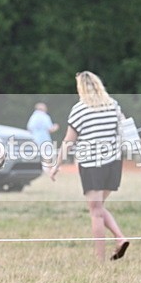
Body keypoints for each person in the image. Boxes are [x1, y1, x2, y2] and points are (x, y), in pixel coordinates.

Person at [49, 71, 129, 262]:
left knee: (95, 212)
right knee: (99, 207)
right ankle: (120, 238)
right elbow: (124, 127)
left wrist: (56, 164)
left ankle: (100, 259)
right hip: (113, 164)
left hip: (92, 165)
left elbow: (69, 140)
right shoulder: (113, 105)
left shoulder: (80, 109)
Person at [27, 102, 59, 169]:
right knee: (48, 153)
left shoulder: (33, 117)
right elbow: (50, 129)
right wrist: (56, 127)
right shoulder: (45, 117)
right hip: (45, 138)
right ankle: (49, 168)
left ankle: (37, 168)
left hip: (35, 139)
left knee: (36, 154)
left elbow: (29, 128)